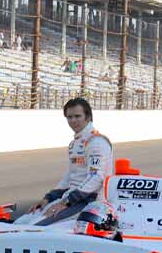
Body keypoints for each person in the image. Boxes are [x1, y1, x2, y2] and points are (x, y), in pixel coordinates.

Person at [28, 97, 114, 226]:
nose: (73, 121)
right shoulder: (75, 144)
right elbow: (69, 177)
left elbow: (96, 179)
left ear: (88, 116)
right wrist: (48, 198)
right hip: (71, 198)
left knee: (35, 226)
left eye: (77, 116)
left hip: (90, 203)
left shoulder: (97, 142)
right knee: (24, 220)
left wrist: (66, 202)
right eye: (69, 117)